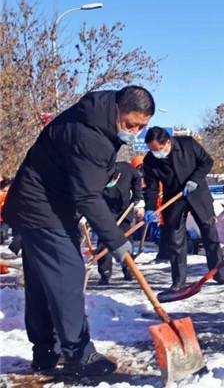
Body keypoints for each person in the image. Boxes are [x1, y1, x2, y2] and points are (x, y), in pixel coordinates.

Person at [1, 86, 154, 377]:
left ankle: (46, 351)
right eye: (131, 124)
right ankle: (79, 355)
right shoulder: (90, 134)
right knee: (67, 278)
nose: (134, 131)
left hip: (40, 206)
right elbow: (87, 196)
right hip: (43, 208)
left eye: (141, 127)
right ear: (117, 109)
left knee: (44, 283)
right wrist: (116, 239)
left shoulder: (95, 119)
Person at [142, 127, 224, 291]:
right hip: (173, 200)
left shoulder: (187, 144)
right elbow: (151, 187)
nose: (155, 153)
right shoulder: (150, 160)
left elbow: (207, 162)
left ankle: (218, 273)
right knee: (176, 241)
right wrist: (150, 208)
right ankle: (178, 280)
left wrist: (194, 180)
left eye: (157, 149)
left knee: (210, 235)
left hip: (197, 194)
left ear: (167, 142)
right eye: (151, 150)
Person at [92, 161, 144, 285]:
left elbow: (137, 179)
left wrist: (137, 197)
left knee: (125, 239)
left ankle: (128, 269)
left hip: (124, 209)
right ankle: (105, 273)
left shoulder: (127, 169)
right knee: (104, 242)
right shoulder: (98, 172)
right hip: (104, 210)